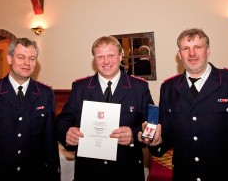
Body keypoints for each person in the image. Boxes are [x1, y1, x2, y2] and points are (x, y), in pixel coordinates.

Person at [139, 28, 228, 181]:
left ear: (208, 51)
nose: (192, 53)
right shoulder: (169, 88)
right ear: (180, 55)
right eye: (186, 48)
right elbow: (167, 135)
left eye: (198, 47)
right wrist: (156, 141)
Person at [56, 35, 154, 181]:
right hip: (89, 171)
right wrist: (67, 133)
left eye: (111, 55)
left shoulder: (139, 87)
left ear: (121, 56)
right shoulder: (80, 87)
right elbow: (61, 121)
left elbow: (151, 125)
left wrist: (134, 135)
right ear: (94, 59)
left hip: (126, 170)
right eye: (100, 56)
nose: (106, 62)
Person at [0, 38, 61, 181]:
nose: (27, 63)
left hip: (33, 174)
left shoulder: (45, 93)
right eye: (21, 57)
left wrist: (53, 174)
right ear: (9, 58)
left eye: (32, 58)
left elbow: (49, 141)